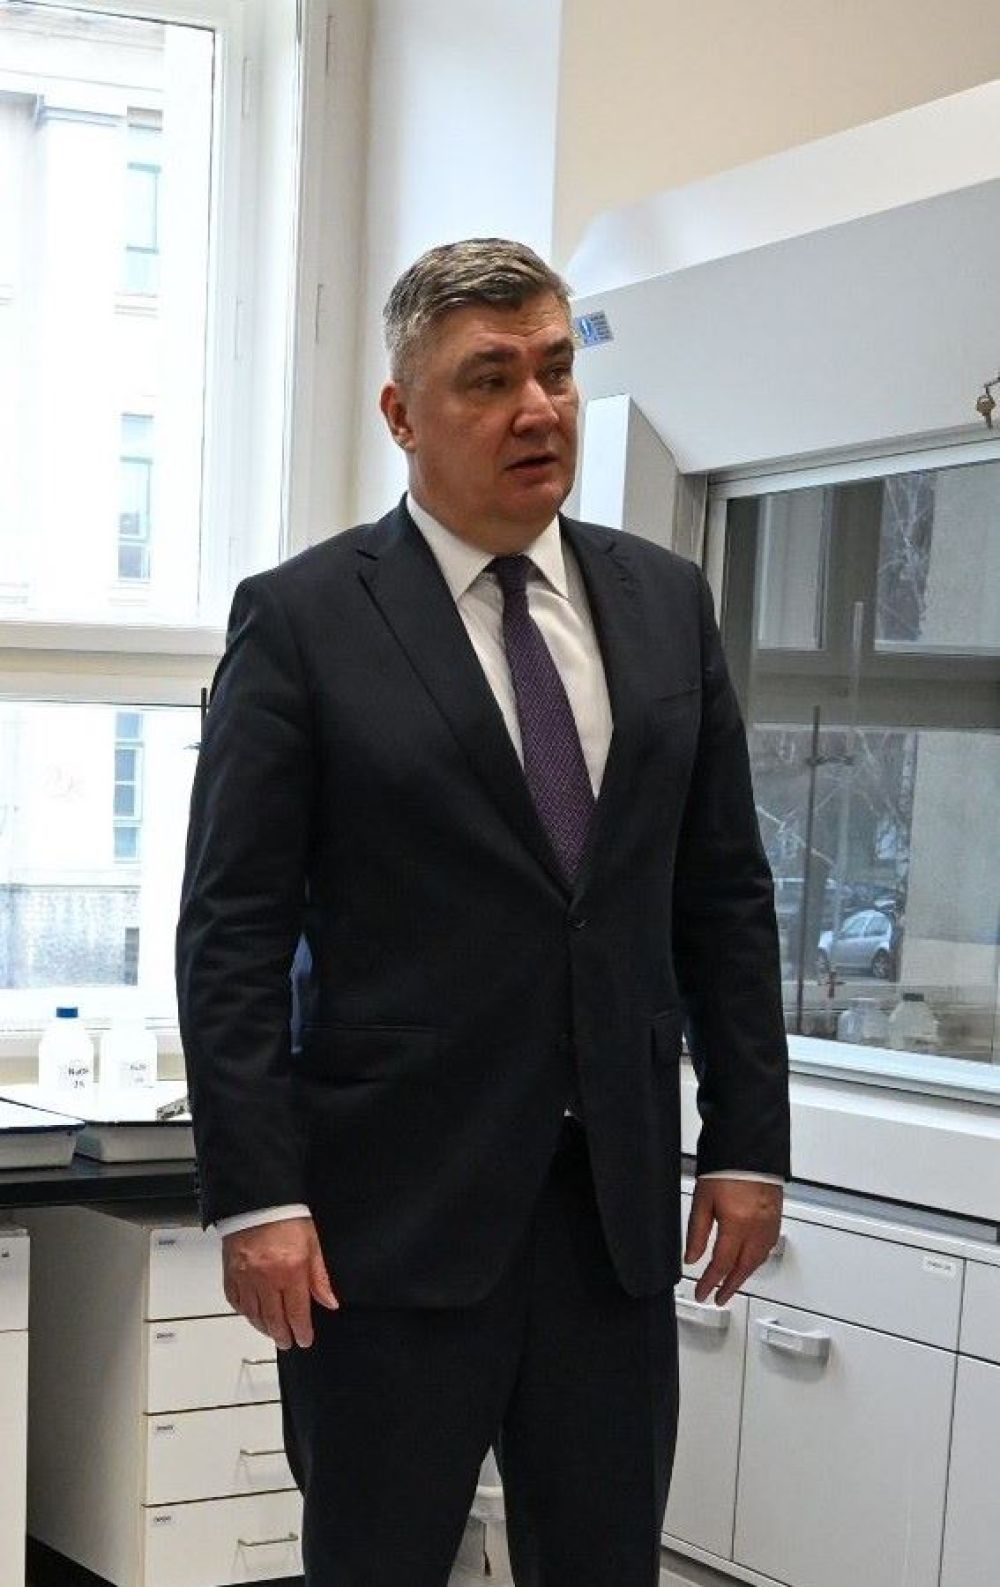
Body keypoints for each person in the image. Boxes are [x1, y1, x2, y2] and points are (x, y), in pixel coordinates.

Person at [177, 237, 790, 1587]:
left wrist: (749, 1141)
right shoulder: (303, 620)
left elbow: (724, 895)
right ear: (402, 412)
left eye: (558, 372)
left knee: (604, 1563)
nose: (538, 409)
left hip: (609, 1215)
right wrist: (256, 1193)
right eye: (491, 379)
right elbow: (231, 930)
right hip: (385, 1224)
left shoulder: (664, 603)